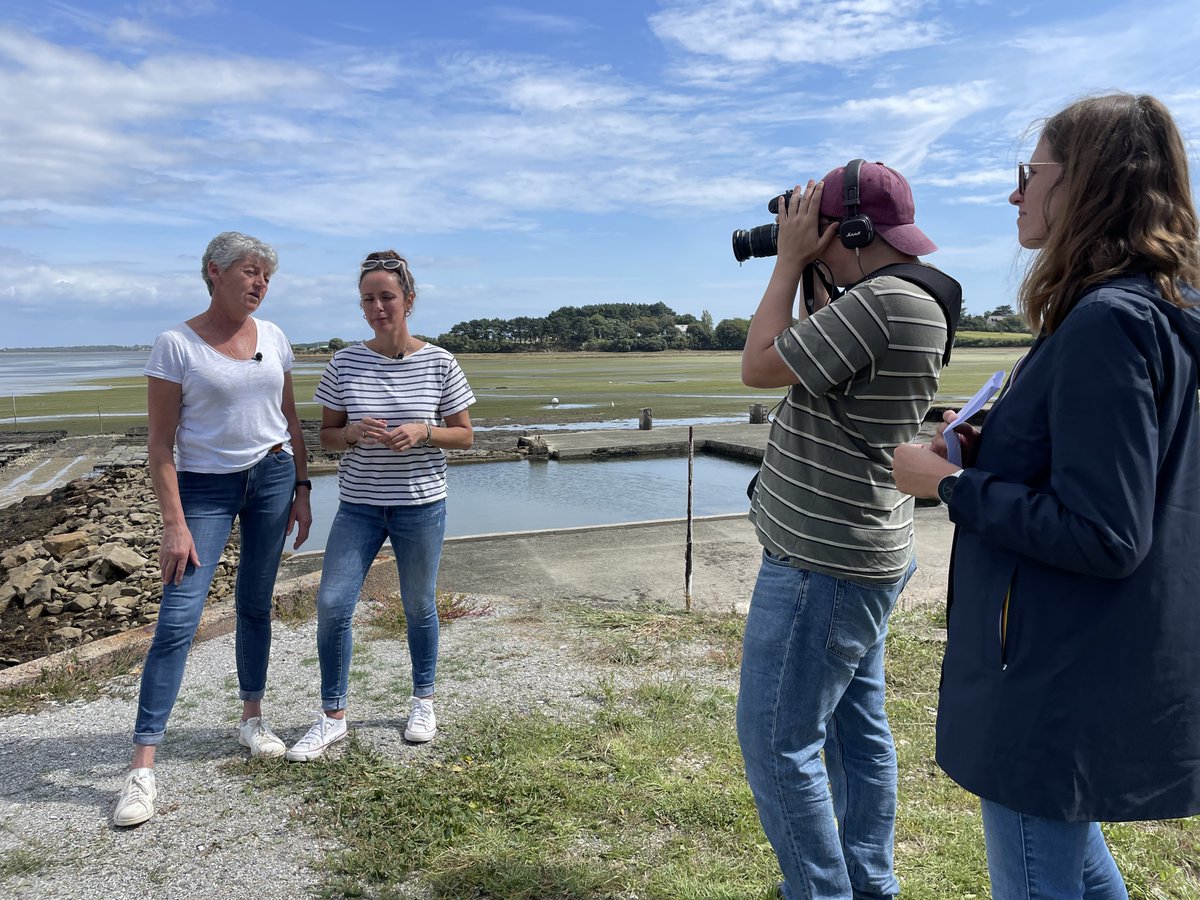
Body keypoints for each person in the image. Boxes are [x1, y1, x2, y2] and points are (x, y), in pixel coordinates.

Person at [892, 93, 1200, 899]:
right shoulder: (1166, 309)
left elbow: (1106, 532)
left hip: (1052, 676)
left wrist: (950, 483)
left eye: (1029, 173)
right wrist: (996, 445)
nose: (1015, 194)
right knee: (1079, 865)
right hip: (1101, 657)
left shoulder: (1105, 323)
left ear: (1084, 183)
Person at [737, 162, 958, 899]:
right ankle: (869, 884)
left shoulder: (884, 303)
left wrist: (789, 265)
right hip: (864, 551)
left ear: (854, 230)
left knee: (778, 745)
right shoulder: (919, 295)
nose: (804, 248)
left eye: (817, 233)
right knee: (857, 735)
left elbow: (760, 367)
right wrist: (811, 267)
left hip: (820, 563)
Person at [113, 232, 313, 827]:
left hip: (272, 478)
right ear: (213, 272)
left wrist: (302, 487)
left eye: (266, 277)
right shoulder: (175, 345)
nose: (258, 284)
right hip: (204, 488)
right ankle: (142, 766)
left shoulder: (273, 336)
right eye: (249, 272)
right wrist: (174, 524)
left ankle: (252, 717)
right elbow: (160, 444)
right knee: (177, 620)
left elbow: (289, 416)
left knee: (255, 604)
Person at [285, 250, 475, 762]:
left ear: (408, 300)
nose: (377, 307)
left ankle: (423, 700)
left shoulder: (440, 361)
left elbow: (465, 436)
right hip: (359, 507)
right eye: (368, 299)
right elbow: (325, 435)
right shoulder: (345, 362)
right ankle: (332, 717)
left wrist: (424, 432)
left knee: (419, 606)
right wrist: (350, 433)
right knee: (332, 605)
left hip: (420, 505)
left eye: (387, 297)